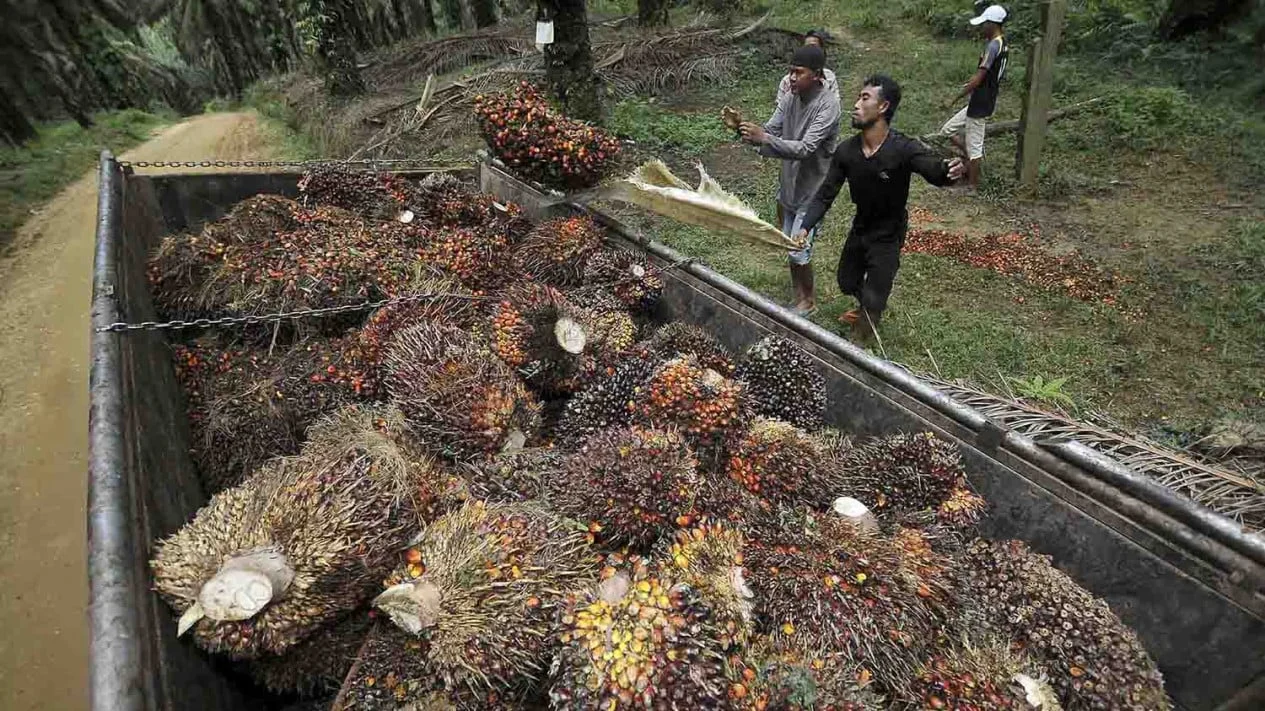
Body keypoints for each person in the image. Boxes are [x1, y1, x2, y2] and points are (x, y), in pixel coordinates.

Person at [796, 75, 966, 342]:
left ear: (883, 107)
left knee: (875, 297)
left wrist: (948, 171)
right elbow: (825, 194)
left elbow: (932, 169)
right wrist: (805, 226)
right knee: (846, 281)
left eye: (864, 98)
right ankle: (866, 307)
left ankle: (860, 341)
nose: (855, 104)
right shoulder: (846, 152)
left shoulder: (902, 148)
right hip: (861, 226)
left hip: (889, 231)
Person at [739, 45, 842, 315]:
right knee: (788, 244)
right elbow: (772, 129)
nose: (792, 78)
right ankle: (799, 296)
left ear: (817, 75)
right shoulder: (790, 97)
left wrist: (765, 139)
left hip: (812, 192)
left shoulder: (828, 106)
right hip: (789, 185)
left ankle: (808, 302)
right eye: (790, 71)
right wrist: (749, 132)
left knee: (798, 248)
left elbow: (806, 148)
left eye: (799, 72)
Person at [935, 4, 1009, 191]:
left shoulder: (993, 46)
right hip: (982, 99)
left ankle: (972, 185)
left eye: (985, 24)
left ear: (993, 24)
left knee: (975, 146)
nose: (982, 27)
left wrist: (954, 98)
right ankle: (971, 159)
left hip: (981, 102)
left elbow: (978, 78)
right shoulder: (1002, 44)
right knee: (947, 130)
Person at [776, 31, 839, 107]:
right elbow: (780, 112)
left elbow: (834, 106)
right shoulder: (786, 82)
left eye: (814, 47)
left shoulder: (829, 78)